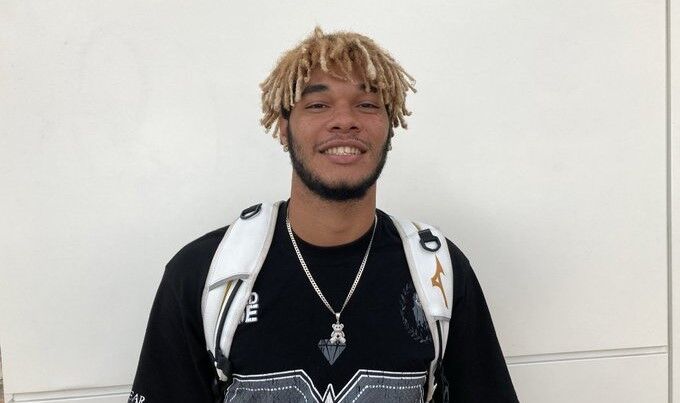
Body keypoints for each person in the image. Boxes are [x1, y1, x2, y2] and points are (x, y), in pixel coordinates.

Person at [129, 26, 518, 403]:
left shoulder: (439, 271)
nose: (345, 120)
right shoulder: (204, 274)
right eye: (317, 105)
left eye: (367, 104)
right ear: (284, 128)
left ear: (390, 128)